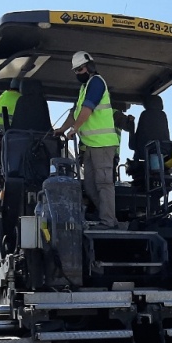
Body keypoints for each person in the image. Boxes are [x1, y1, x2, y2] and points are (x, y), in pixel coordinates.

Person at [54, 51, 120, 228]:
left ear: (89, 66)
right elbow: (75, 112)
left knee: (104, 183)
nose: (78, 73)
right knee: (90, 184)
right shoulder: (85, 87)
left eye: (80, 69)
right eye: (75, 70)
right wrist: (62, 129)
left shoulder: (97, 83)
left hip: (103, 144)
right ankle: (107, 217)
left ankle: (108, 221)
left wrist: (74, 129)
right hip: (91, 145)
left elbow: (87, 109)